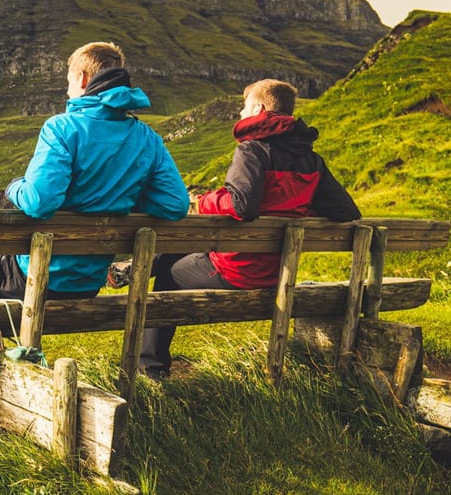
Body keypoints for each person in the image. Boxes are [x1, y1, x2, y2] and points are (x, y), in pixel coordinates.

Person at [138, 78, 361, 377]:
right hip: (277, 272)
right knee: (174, 254)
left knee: (167, 271)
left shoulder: (252, 150)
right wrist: (296, 204)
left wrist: (206, 202)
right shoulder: (311, 160)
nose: (241, 114)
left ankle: (150, 370)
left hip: (239, 271)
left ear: (258, 108)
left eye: (244, 107)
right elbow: (346, 211)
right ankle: (135, 275)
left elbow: (242, 205)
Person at [0, 42, 191, 303]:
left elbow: (39, 202)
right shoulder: (147, 137)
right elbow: (175, 204)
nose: (67, 91)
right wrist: (126, 195)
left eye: (68, 81)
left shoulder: (61, 128)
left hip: (39, 279)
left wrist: (14, 187)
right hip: (88, 285)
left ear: (83, 78)